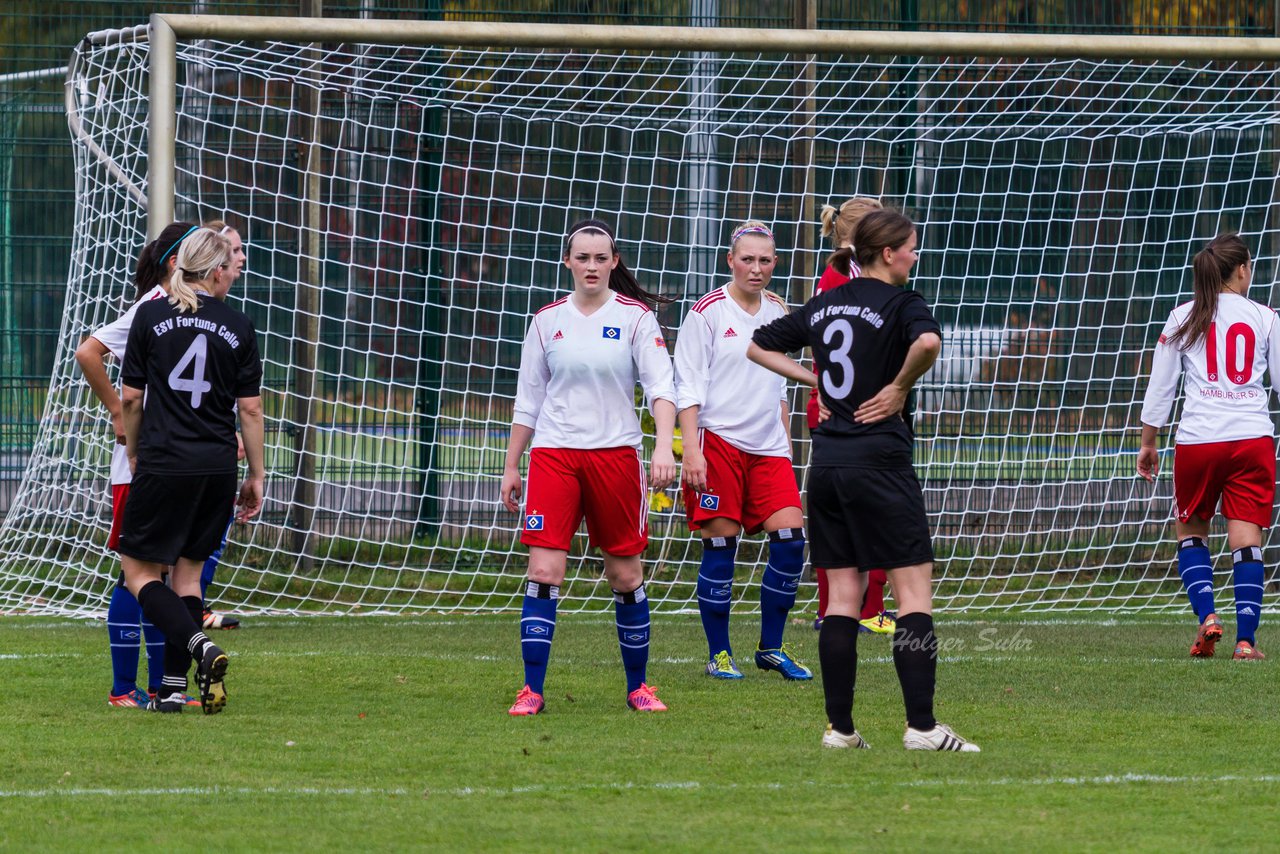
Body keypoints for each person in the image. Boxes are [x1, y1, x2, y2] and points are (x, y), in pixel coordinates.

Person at [748, 208, 980, 751]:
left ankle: (840, 730)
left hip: (827, 467)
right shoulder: (905, 303)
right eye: (912, 248)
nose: (916, 256)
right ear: (888, 253)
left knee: (841, 600)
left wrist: (820, 383)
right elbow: (927, 346)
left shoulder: (826, 302)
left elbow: (758, 345)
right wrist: (899, 388)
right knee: (913, 592)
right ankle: (922, 727)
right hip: (881, 463)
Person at [500, 218, 677, 715]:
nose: (592, 266)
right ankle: (532, 690)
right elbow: (528, 399)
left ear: (614, 262)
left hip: (616, 456)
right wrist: (512, 465)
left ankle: (638, 687)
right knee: (544, 569)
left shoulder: (637, 319)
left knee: (624, 575)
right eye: (583, 257)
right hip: (555, 456)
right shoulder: (546, 320)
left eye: (602, 258)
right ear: (568, 262)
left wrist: (664, 445)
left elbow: (662, 388)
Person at [116, 226, 265, 714]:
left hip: (165, 460)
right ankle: (174, 690)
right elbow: (250, 412)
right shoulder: (239, 325)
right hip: (217, 466)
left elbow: (132, 398)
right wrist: (256, 475)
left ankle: (200, 646)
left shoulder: (151, 315)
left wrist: (135, 450)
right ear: (216, 270)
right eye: (232, 263)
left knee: (138, 572)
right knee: (189, 579)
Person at [673, 220, 810, 681]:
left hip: (769, 448)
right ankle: (720, 654)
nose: (756, 268)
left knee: (792, 543)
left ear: (775, 263)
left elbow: (782, 380)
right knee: (720, 546)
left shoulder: (778, 308)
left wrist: (786, 435)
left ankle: (771, 648)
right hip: (718, 445)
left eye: (765, 260)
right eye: (746, 259)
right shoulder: (707, 312)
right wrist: (691, 449)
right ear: (730, 260)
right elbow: (686, 386)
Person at [75, 221, 200, 707]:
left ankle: (161, 686)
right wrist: (115, 411)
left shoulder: (187, 309)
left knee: (163, 575)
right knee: (137, 574)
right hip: (140, 465)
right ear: (177, 263)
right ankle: (124, 688)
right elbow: (89, 352)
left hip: (172, 460)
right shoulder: (151, 307)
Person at [1138, 232, 1277, 661]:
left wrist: (1148, 442)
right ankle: (1245, 642)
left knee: (1192, 533)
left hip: (1199, 440)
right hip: (1252, 437)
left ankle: (1208, 618)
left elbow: (1161, 388)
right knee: (1246, 537)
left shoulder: (1183, 316)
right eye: (1250, 265)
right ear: (1240, 270)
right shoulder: (1266, 317)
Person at [807, 197, 896, 638]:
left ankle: (844, 608)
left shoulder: (834, 276)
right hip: (850, 408)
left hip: (835, 403)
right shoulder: (849, 277)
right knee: (869, 512)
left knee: (846, 515)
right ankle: (859, 608)